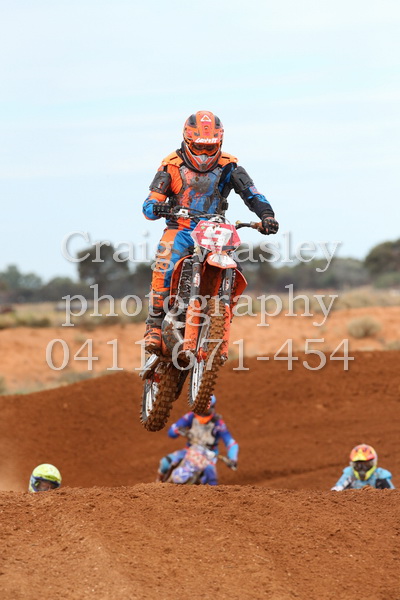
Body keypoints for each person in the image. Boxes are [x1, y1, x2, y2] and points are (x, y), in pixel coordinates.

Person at [142, 110, 279, 351]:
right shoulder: (171, 165)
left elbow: (252, 194)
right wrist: (158, 207)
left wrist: (267, 215)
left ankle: (220, 320)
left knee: (236, 270)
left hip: (215, 230)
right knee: (166, 262)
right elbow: (149, 204)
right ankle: (154, 324)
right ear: (187, 141)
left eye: (210, 147)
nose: (204, 153)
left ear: (219, 142)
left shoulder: (229, 165)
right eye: (199, 147)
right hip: (181, 228)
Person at [157, 395, 239, 485]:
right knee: (165, 462)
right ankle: (158, 483)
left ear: (212, 407)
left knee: (211, 477)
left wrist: (232, 458)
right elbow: (171, 432)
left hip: (208, 456)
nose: (203, 412)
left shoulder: (218, 423)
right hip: (189, 450)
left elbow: (231, 443)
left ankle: (212, 492)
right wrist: (178, 430)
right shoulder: (190, 416)